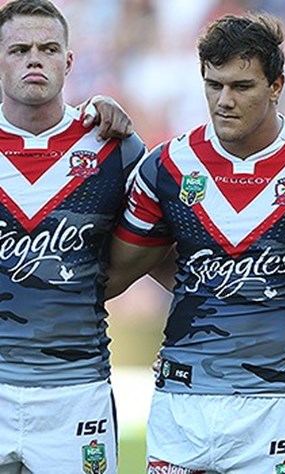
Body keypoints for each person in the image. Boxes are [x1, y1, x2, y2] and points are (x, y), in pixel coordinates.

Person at [108, 13, 285, 474]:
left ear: (277, 85)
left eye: (241, 86)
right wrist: (214, 293)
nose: (224, 100)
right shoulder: (167, 166)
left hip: (281, 404)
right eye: (213, 85)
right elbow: (122, 268)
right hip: (184, 403)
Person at [0, 0, 144, 473]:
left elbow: (153, 250)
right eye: (19, 49)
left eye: (48, 49)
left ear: (69, 61)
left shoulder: (115, 148)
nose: (34, 59)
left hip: (76, 391)